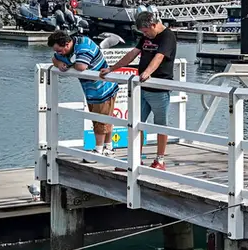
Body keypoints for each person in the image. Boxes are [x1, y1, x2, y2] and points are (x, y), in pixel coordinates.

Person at [100, 10, 177, 170]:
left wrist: (147, 72)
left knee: (160, 124)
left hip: (159, 88)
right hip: (142, 88)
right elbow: (133, 53)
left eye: (146, 31)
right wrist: (112, 69)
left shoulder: (167, 36)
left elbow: (159, 57)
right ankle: (135, 158)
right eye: (143, 32)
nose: (145, 34)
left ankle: (160, 160)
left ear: (154, 25)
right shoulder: (146, 37)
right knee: (136, 123)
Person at [48, 29, 120, 157]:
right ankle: (108, 148)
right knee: (104, 119)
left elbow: (81, 66)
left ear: (67, 44)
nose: (58, 53)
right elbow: (55, 59)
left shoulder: (84, 45)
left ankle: (98, 151)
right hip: (91, 90)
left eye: (59, 50)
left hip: (103, 88)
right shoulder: (68, 50)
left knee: (101, 120)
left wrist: (68, 64)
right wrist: (59, 63)